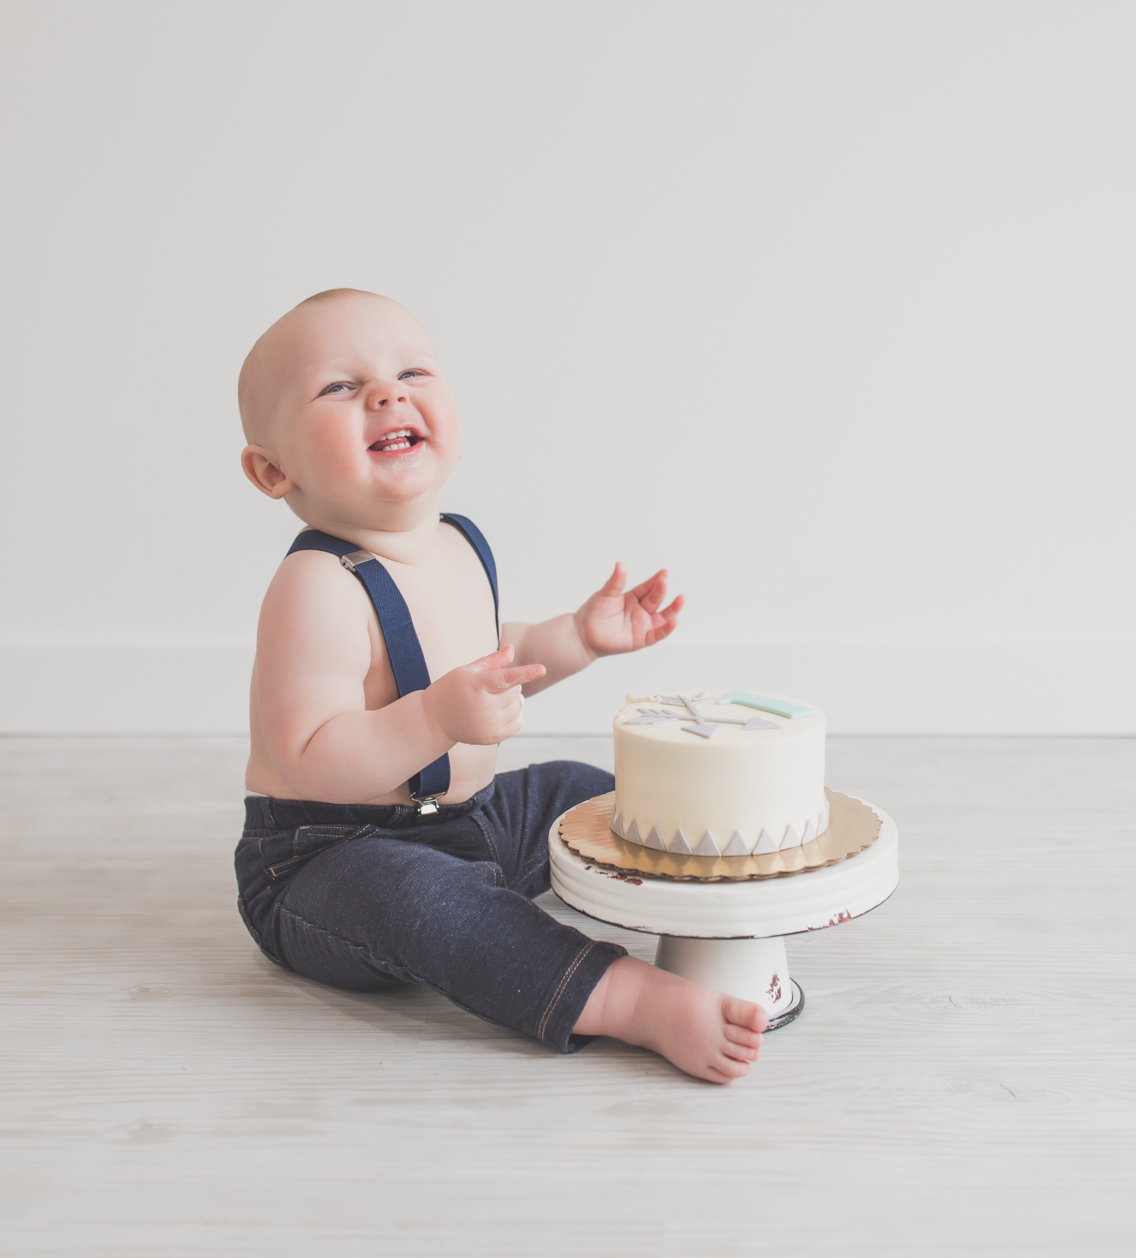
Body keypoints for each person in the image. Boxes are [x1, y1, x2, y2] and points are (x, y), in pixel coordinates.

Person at [232, 288, 768, 1082]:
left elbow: (495, 657)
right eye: (340, 387)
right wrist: (435, 717)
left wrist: (579, 637)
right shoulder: (317, 585)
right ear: (273, 468)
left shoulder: (457, 542)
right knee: (430, 907)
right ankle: (626, 999)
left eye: (411, 370)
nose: (388, 393)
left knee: (586, 795)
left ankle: (720, 893)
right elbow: (310, 753)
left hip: (469, 823)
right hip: (332, 858)